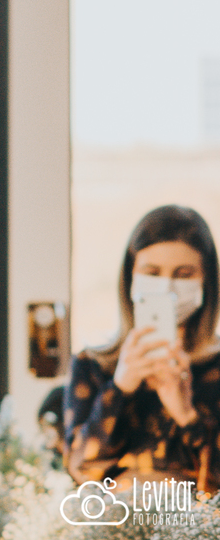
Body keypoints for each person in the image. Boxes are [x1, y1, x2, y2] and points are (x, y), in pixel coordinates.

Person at [64, 204, 220, 491]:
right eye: (152, 272)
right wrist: (119, 388)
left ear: (207, 282)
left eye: (184, 274)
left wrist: (187, 416)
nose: (166, 287)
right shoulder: (92, 365)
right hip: (115, 527)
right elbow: (81, 470)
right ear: (131, 278)